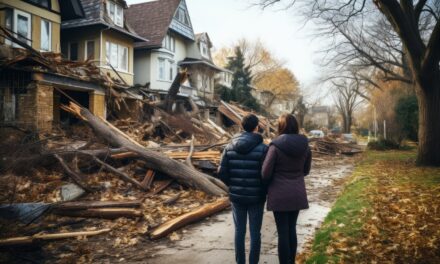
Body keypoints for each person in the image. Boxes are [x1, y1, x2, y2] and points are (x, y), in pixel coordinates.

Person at [218, 114, 268, 264]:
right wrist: (263, 189)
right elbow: (266, 174)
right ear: (257, 127)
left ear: (242, 127)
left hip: (237, 197)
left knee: (239, 231)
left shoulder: (229, 147)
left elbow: (222, 172)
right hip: (256, 197)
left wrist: (232, 185)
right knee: (255, 233)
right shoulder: (264, 148)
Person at [262, 114, 312, 264]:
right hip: (297, 192)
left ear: (281, 126)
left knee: (283, 232)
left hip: (279, 194)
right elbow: (306, 170)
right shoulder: (305, 146)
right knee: (292, 229)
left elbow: (265, 173)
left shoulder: (275, 146)